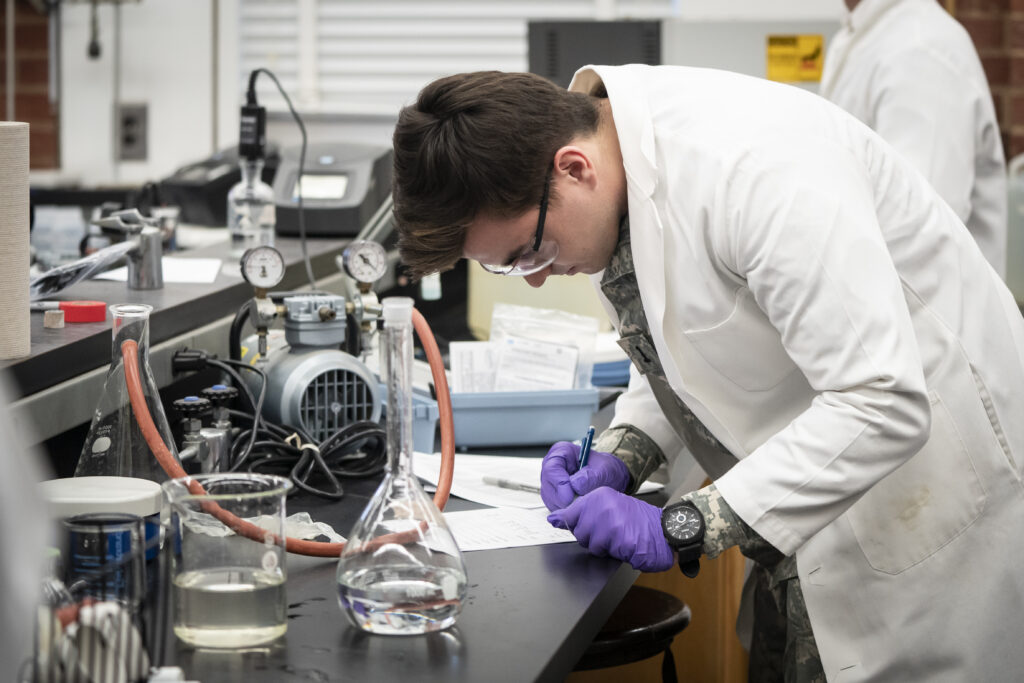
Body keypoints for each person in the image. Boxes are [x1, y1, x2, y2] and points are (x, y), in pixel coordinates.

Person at [391, 65, 1024, 681]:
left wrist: (690, 523)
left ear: (573, 170)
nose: (532, 276)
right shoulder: (617, 176)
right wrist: (626, 448)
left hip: (926, 497)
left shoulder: (754, 170)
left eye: (528, 252)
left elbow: (882, 399)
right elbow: (683, 341)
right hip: (803, 507)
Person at [821, 0, 1007, 277]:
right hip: (877, 306)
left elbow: (917, 240)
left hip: (924, 316)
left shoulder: (920, 50)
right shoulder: (863, 35)